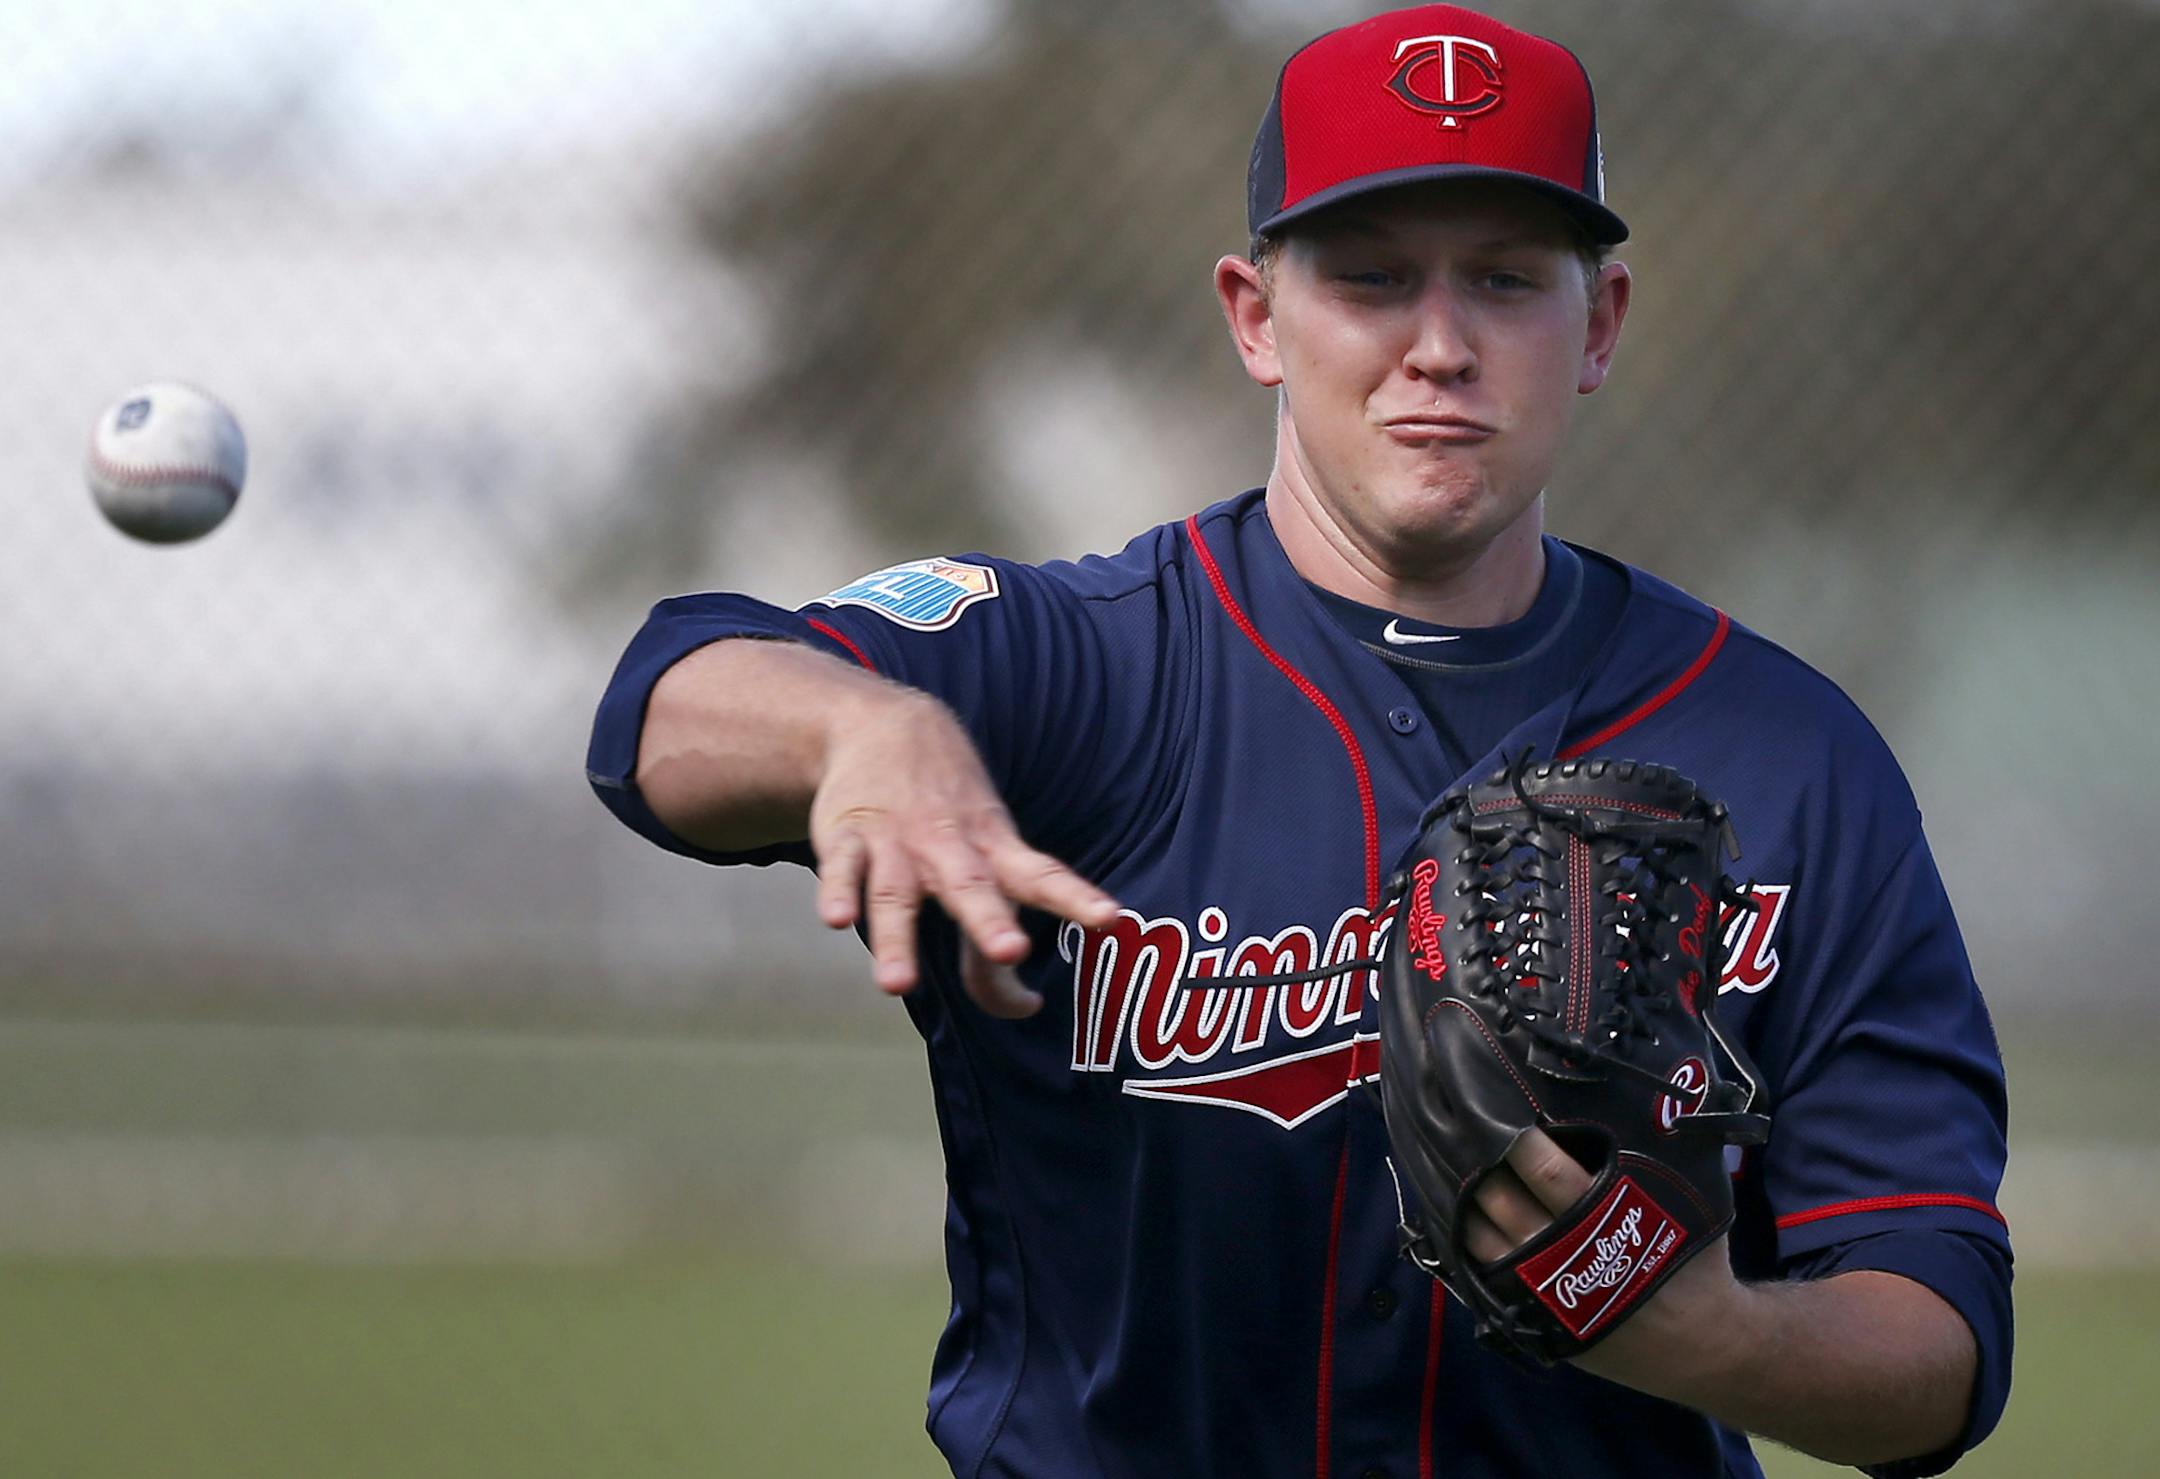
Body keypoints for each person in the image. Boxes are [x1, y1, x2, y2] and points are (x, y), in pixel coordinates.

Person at [587, 6, 2012, 1476]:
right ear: (1257, 316)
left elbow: (1940, 1337)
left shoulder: (1789, 756)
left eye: (1507, 282)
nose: (1440, 347)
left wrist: (1673, 1325)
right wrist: (865, 726)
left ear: (1598, 327)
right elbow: (665, 706)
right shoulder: (1085, 667)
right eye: (1372, 278)